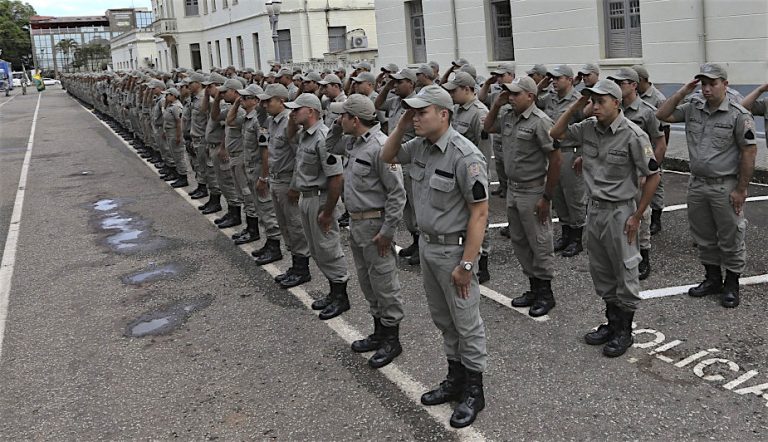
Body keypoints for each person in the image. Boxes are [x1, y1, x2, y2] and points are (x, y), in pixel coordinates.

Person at [381, 85, 489, 428]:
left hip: (455, 250)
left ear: (444, 114)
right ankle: (454, 379)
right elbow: (387, 155)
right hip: (429, 247)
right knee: (444, 320)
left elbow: (480, 214)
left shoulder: (465, 155)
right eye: (412, 112)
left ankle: (474, 391)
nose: (415, 118)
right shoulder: (421, 147)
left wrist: (467, 264)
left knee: (466, 322)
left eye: (421, 112)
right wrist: (401, 124)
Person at [551, 79, 659, 357]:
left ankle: (625, 330)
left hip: (621, 210)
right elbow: (556, 132)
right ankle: (611, 323)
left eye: (600, 101)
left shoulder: (633, 135)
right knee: (601, 270)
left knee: (625, 270)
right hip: (595, 209)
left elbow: (652, 175)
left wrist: (637, 214)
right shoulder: (588, 128)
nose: (595, 107)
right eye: (592, 101)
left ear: (616, 102)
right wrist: (578, 104)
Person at [656, 63, 757, 309]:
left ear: (725, 84)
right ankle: (712, 279)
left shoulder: (738, 114)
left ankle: (731, 284)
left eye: (712, 83)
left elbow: (749, 153)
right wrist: (683, 91)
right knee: (703, 235)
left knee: (731, 236)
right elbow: (662, 115)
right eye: (703, 84)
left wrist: (741, 189)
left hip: (724, 186)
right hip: (698, 184)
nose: (707, 89)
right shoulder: (693, 107)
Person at [327, 94, 407, 368]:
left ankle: (392, 339)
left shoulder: (380, 146)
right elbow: (331, 145)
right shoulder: (352, 142)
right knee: (367, 281)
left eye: (342, 116)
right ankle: (378, 332)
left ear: (355, 119)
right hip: (358, 223)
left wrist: (387, 231)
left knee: (384, 282)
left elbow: (397, 194)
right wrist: (338, 127)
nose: (338, 120)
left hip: (375, 225)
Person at [484, 77, 561, 316]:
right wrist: (496, 105)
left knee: (539, 241)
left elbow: (556, 159)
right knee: (519, 241)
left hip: (533, 190)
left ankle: (546, 292)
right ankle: (533, 287)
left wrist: (547, 197)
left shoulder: (540, 121)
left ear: (530, 95)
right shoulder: (508, 116)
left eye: (516, 94)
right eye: (509, 93)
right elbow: (487, 127)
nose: (511, 97)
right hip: (514, 190)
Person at [286, 93, 351, 320]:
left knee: (328, 248)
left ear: (311, 111)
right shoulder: (306, 135)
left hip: (321, 199)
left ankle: (341, 296)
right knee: (317, 249)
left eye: (297, 110)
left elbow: (336, 178)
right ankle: (333, 292)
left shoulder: (323, 138)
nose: (292, 113)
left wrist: (328, 211)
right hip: (307, 197)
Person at [607, 67, 667, 280]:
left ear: (634, 85)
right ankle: (623, 254)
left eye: (622, 83)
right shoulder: (613, 108)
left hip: (638, 171)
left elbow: (659, 142)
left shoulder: (647, 111)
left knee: (641, 215)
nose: (618, 86)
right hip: (617, 171)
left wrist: (650, 171)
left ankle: (644, 256)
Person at [257, 84, 313, 284]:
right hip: (276, 178)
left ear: (281, 101)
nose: (264, 105)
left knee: (295, 226)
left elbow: (300, 156)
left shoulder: (291, 122)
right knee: (284, 225)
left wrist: (295, 185)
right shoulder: (273, 121)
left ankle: (302, 268)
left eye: (268, 101)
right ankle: (295, 263)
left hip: (288, 180)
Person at [443, 71, 493, 283]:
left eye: (455, 90)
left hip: (473, 174)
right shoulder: (457, 110)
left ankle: (482, 264)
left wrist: (480, 177)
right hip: (456, 173)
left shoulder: (479, 113)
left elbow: (482, 151)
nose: (452, 94)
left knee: (480, 219)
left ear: (467, 89)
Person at [537, 65, 587, 257]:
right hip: (552, 153)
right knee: (557, 196)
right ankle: (565, 233)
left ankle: (577, 238)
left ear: (569, 79)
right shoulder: (550, 97)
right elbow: (532, 97)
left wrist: (583, 154)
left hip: (570, 152)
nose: (555, 81)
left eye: (558, 78)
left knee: (574, 196)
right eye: (553, 78)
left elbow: (589, 129)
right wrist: (542, 84)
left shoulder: (577, 101)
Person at [375, 68, 420, 265]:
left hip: (410, 163)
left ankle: (421, 246)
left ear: (411, 83)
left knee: (416, 207)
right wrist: (387, 84)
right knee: (406, 209)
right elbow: (377, 104)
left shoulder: (417, 104)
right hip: (396, 162)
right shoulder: (394, 101)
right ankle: (415, 241)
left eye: (400, 82)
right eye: (395, 82)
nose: (396, 85)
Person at [632, 64, 669, 235]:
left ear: (641, 80)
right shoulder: (634, 96)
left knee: (656, 184)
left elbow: (664, 130)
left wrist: (658, 158)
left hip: (652, 150)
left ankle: (656, 218)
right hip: (638, 149)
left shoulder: (658, 99)